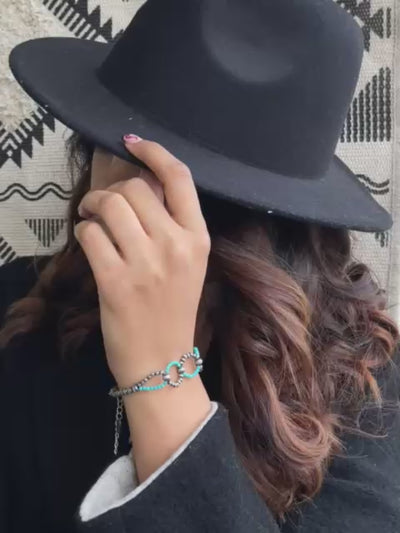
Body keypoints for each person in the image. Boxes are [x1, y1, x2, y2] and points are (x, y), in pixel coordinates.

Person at [1, 0, 400, 532]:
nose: (135, 200)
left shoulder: (365, 380)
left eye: (168, 180)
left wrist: (161, 379)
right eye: (117, 145)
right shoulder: (20, 310)